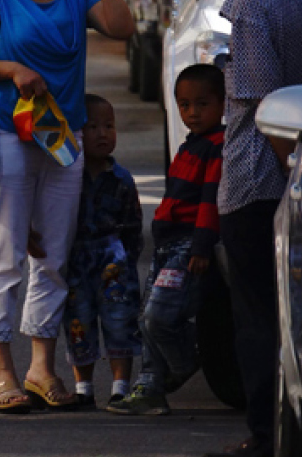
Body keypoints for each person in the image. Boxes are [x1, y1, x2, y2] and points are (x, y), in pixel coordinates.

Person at [0, 0, 134, 414]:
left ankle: (40, 365)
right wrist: (9, 70)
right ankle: (0, 369)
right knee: (6, 253)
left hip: (66, 142)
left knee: (53, 257)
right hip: (11, 136)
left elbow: (122, 27)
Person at [193, 0, 302, 457]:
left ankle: (265, 434)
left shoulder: (251, 8)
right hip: (298, 174)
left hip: (260, 183)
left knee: (258, 321)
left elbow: (268, 107)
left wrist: (296, 183)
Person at [113, 64, 225, 416]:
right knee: (146, 315)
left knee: (159, 317)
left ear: (223, 104)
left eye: (202, 104)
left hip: (187, 248)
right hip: (166, 248)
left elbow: (210, 201)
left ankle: (185, 362)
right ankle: (150, 386)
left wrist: (202, 245)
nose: (192, 113)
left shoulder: (217, 148)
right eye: (184, 105)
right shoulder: (189, 146)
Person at [60, 94, 143, 411]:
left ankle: (120, 387)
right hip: (77, 257)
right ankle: (84, 387)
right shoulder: (69, 176)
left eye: (109, 126)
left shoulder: (121, 179)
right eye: (92, 126)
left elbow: (134, 223)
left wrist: (127, 259)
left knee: (119, 320)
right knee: (78, 321)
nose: (102, 133)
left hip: (113, 258)